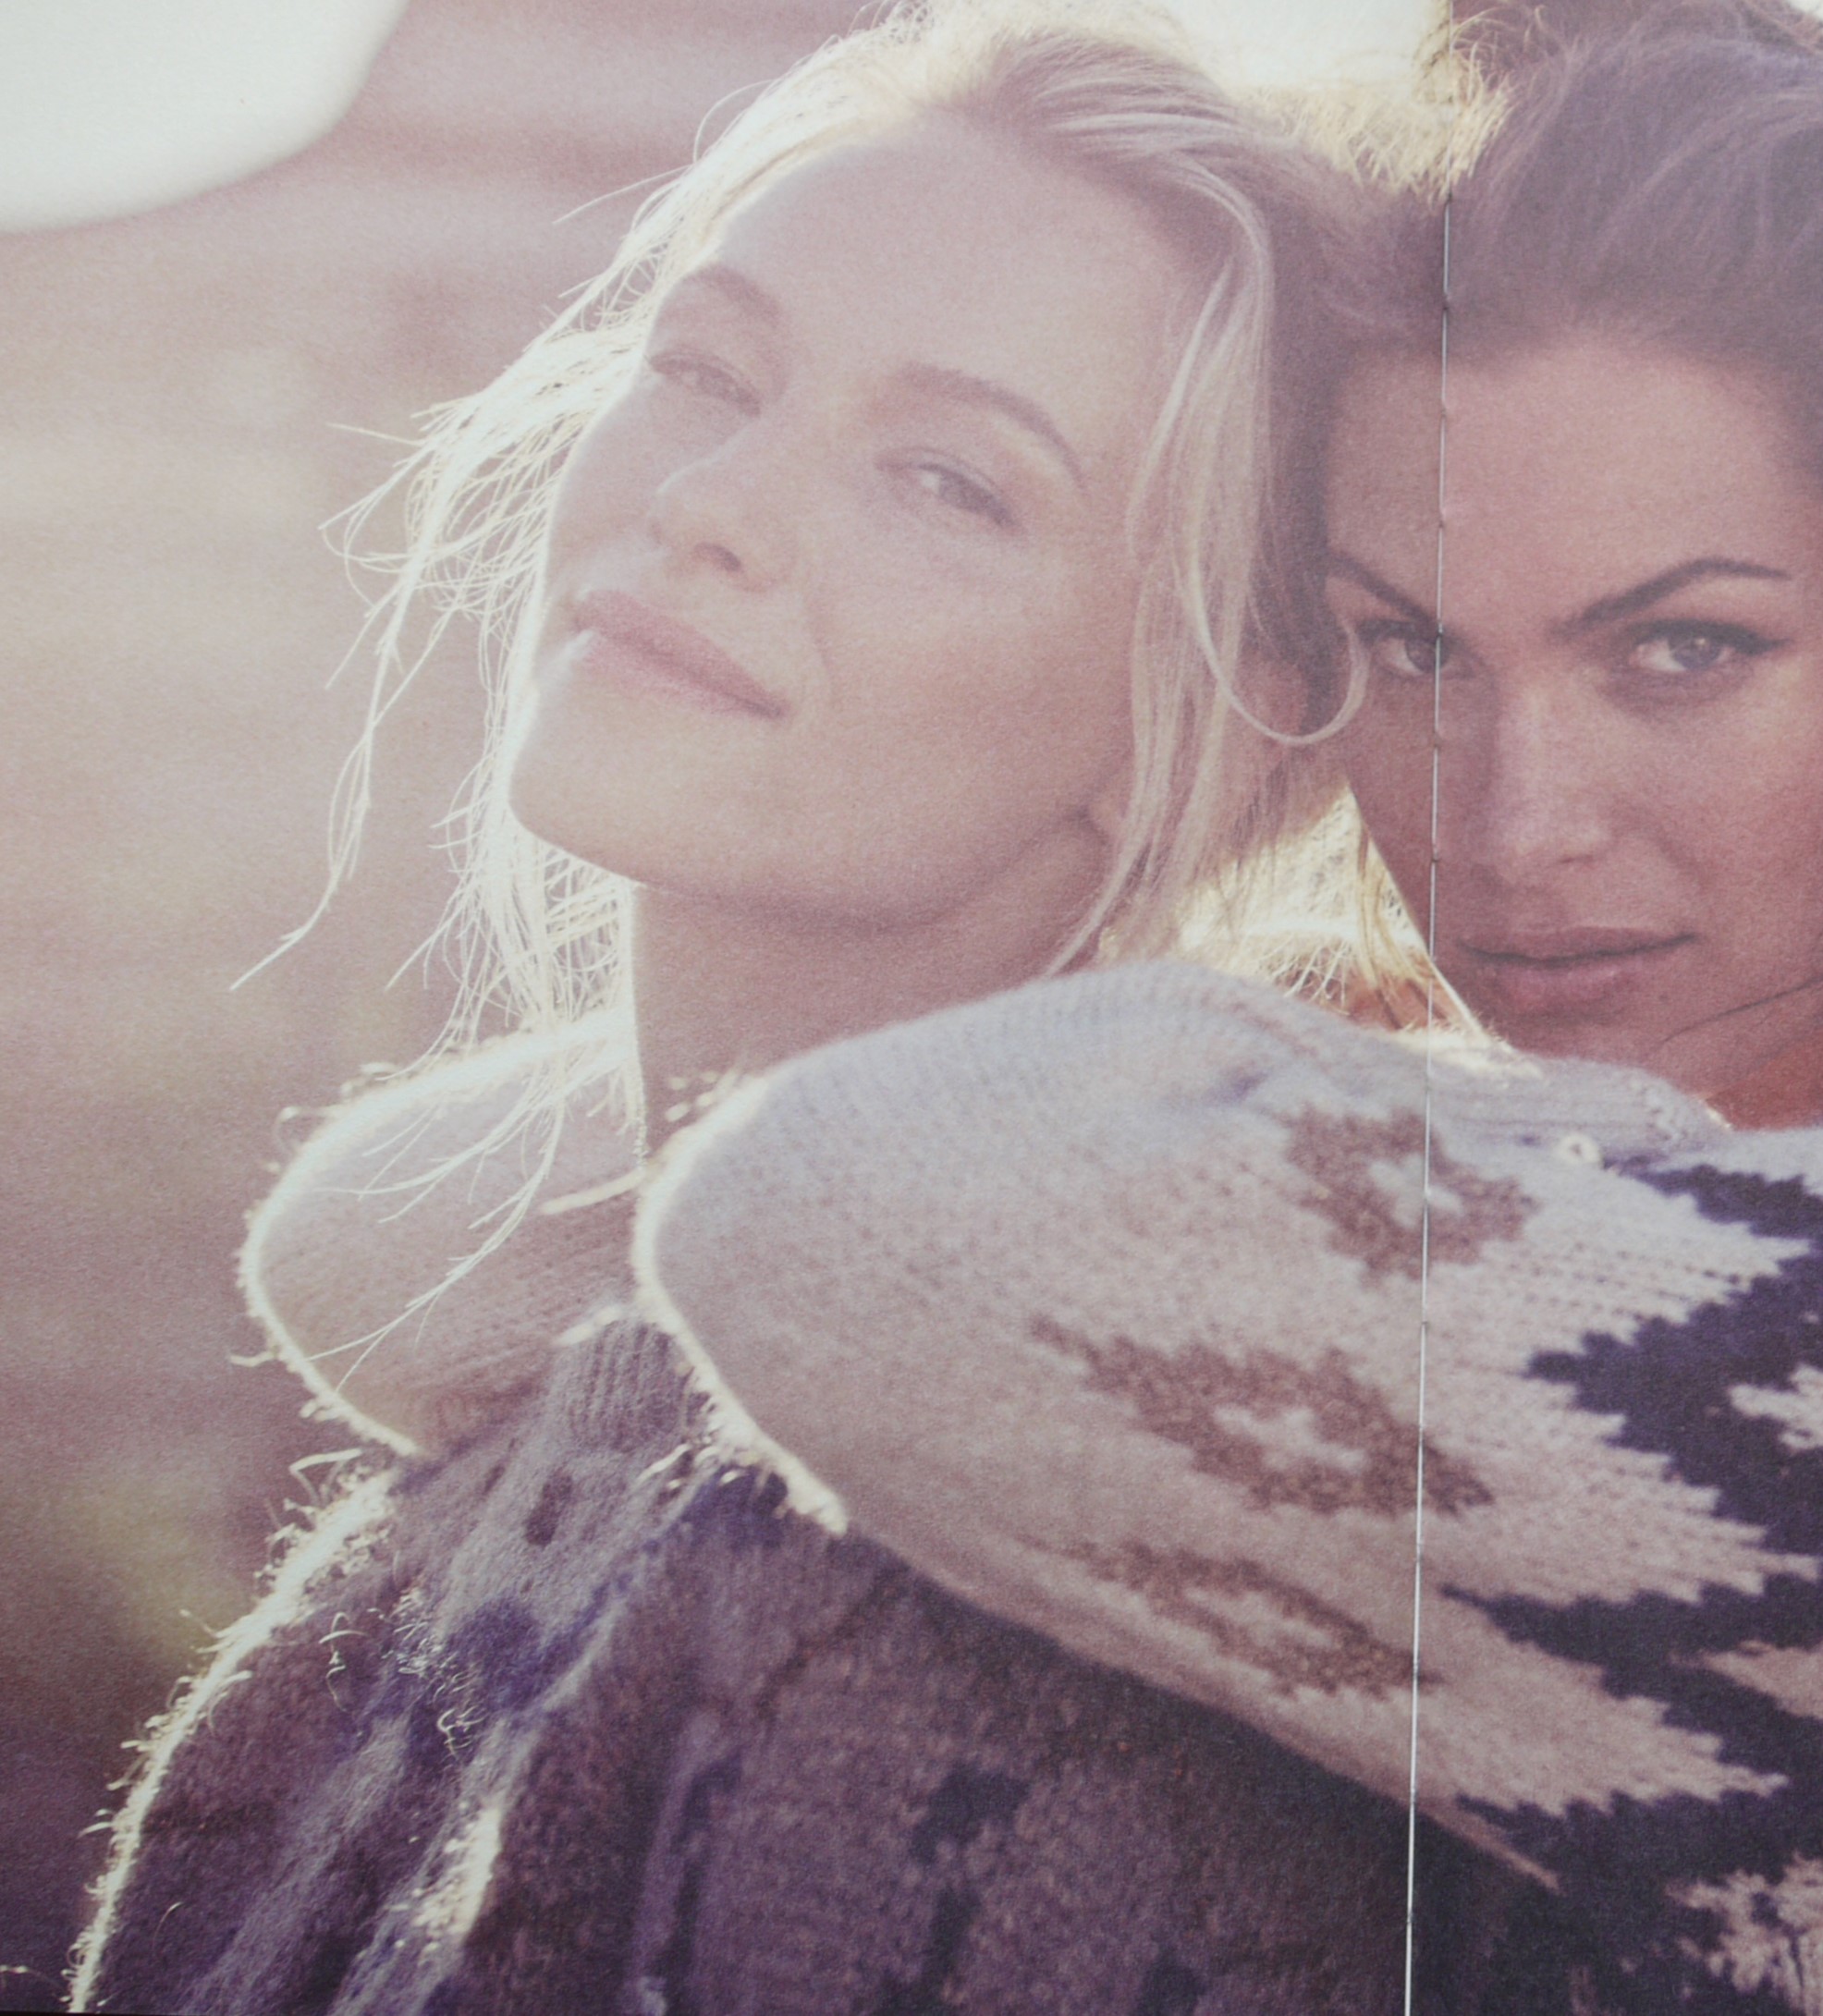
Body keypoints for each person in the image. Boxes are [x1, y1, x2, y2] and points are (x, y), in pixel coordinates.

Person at [615, 9, 1823, 2013]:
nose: (1515, 826)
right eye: (1412, 654)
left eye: (1683, 650)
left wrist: (1192, 825)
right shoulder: (1554, 1244)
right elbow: (470, 1261)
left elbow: (802, 1218)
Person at [69, 8, 1506, 2011]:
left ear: (1216, 727)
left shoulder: (953, 1626)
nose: (712, 497)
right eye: (706, 368)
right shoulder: (504, 1469)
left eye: (949, 478)